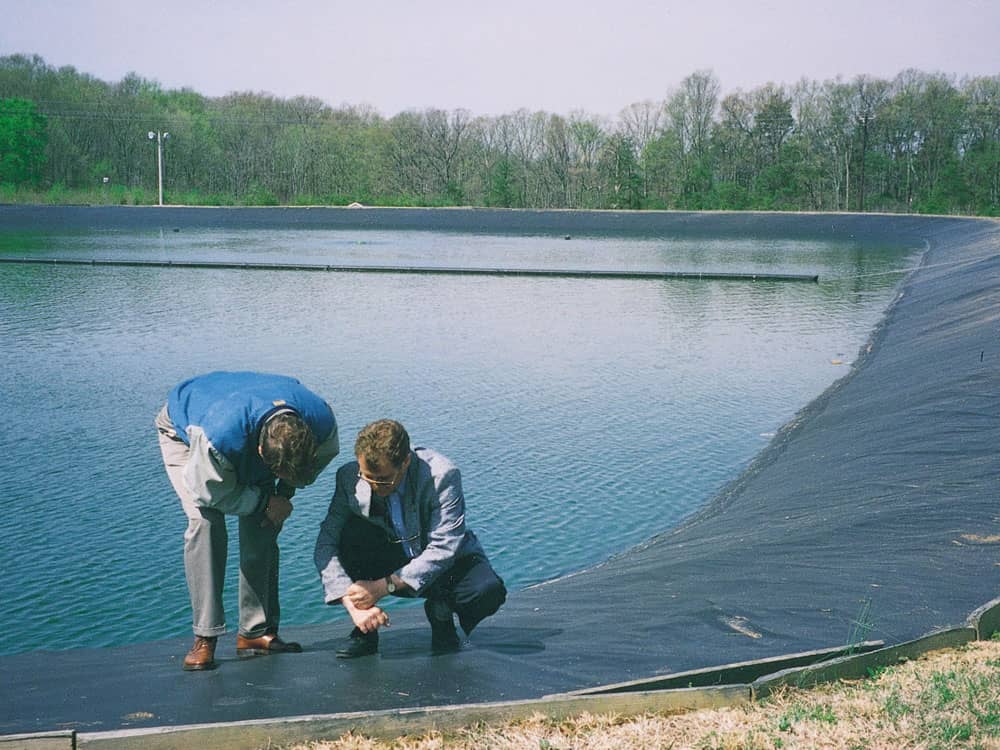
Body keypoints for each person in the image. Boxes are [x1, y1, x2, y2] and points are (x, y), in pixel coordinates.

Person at [156, 371, 339, 671]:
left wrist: (284, 495)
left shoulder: (322, 422)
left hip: (245, 421)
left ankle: (255, 633)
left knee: (263, 525)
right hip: (188, 435)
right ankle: (206, 636)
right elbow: (211, 493)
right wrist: (267, 501)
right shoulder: (218, 436)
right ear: (259, 453)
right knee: (206, 524)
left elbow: (315, 462)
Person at [314, 419, 506, 657]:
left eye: (382, 480)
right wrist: (352, 603)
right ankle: (366, 628)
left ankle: (441, 611)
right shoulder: (347, 477)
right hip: (391, 555)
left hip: (443, 563)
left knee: (488, 591)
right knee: (350, 534)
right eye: (367, 477)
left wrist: (382, 587)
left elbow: (444, 549)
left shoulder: (442, 475)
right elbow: (326, 541)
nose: (373, 486)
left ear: (405, 462)